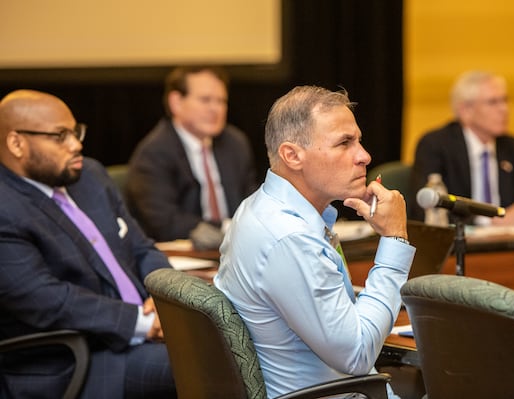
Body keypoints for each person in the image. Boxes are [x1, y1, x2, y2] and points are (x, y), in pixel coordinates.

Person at [214, 86, 415, 398]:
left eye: (358, 140)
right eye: (344, 143)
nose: (364, 156)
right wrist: (394, 238)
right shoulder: (289, 237)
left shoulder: (259, 207)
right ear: (292, 155)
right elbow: (358, 355)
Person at [0, 90, 176, 398]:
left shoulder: (90, 175)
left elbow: (140, 247)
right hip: (76, 359)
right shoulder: (5, 206)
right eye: (60, 136)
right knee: (215, 365)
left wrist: (167, 298)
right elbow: (47, 300)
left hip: (144, 328)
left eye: (76, 132)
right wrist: (144, 322)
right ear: (16, 143)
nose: (76, 144)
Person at [126, 65, 258, 246]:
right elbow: (165, 222)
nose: (215, 109)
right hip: (184, 254)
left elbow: (253, 201)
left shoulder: (235, 143)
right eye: (206, 100)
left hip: (239, 250)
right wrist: (225, 227)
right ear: (176, 102)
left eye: (221, 101)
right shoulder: (153, 153)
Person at [409, 70, 514, 225]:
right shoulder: (436, 145)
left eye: (505, 100)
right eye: (493, 102)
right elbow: (428, 209)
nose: (504, 109)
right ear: (465, 111)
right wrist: (490, 222)